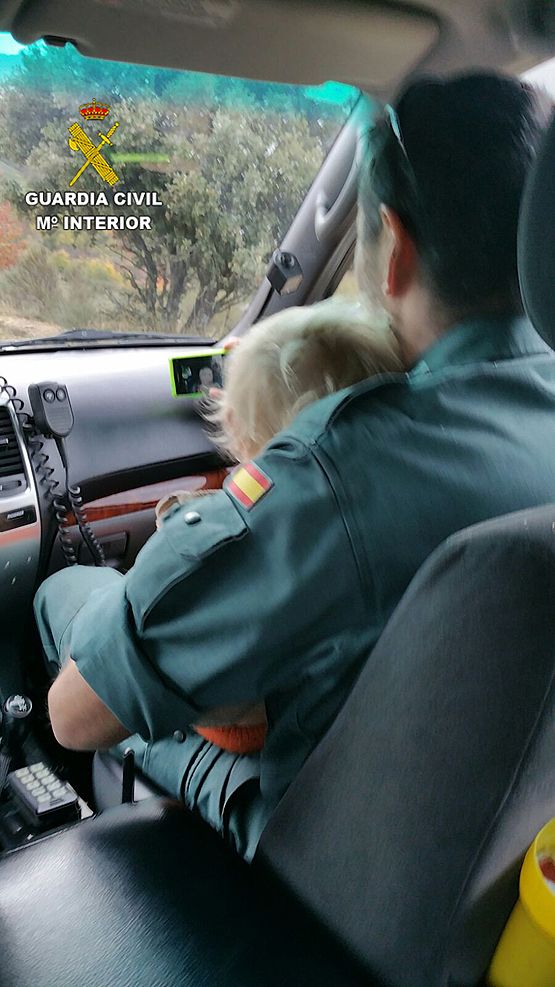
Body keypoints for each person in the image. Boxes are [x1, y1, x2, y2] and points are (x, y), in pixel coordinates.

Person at [36, 72, 555, 862]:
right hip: (492, 855)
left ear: (393, 252)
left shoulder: (341, 470)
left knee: (67, 597)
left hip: (321, 857)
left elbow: (78, 715)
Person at [153, 300, 401, 753]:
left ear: (235, 426)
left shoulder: (256, 527)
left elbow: (201, 668)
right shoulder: (399, 500)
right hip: (361, 727)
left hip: (256, 734)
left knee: (70, 592)